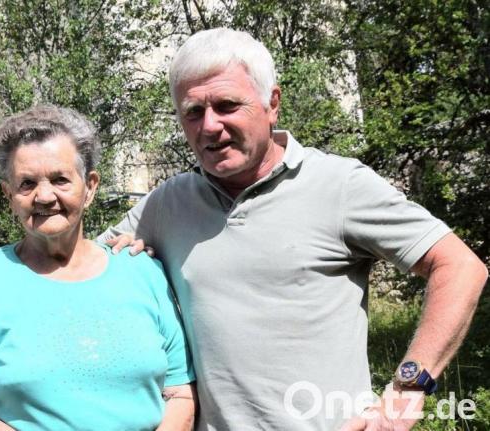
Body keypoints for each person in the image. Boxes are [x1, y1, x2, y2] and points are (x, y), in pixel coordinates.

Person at [95, 28, 487, 430]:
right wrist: (125, 264)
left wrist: (407, 390)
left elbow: (459, 266)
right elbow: (78, 270)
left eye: (227, 105)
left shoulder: (338, 185)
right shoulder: (170, 201)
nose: (209, 126)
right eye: (193, 112)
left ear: (272, 104)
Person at [0, 104, 197, 430]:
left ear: (90, 187)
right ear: (8, 194)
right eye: (26, 183)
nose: (44, 196)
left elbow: (181, 393)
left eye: (60, 179)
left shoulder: (143, 271)